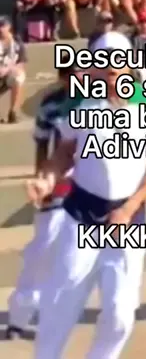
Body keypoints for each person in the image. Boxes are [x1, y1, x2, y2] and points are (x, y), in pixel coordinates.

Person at [26, 31, 146, 359]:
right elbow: (65, 152)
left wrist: (130, 207)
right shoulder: (80, 104)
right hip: (81, 216)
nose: (109, 71)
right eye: (102, 64)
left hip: (128, 223)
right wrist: (46, 178)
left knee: (120, 317)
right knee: (58, 313)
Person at [6, 59, 79, 339]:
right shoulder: (52, 105)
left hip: (88, 189)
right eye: (71, 76)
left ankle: (53, 318)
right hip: (57, 185)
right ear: (62, 78)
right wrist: (42, 181)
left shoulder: (98, 103)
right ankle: (19, 318)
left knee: (71, 260)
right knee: (41, 250)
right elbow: (42, 145)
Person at [0, 17, 27, 123]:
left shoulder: (17, 42)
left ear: (9, 27)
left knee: (18, 77)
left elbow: (22, 62)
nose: (0, 29)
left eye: (2, 26)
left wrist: (7, 69)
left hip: (8, 74)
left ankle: (13, 112)